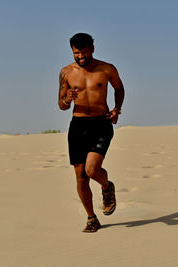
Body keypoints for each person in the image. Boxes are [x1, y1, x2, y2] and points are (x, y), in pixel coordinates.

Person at [58, 33, 125, 232]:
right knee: (80, 177)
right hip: (78, 126)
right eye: (76, 52)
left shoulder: (106, 69)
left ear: (92, 49)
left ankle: (106, 186)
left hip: (101, 123)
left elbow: (119, 88)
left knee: (92, 170)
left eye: (84, 52)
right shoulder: (65, 73)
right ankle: (91, 218)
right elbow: (61, 105)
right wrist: (67, 99)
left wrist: (116, 109)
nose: (80, 56)